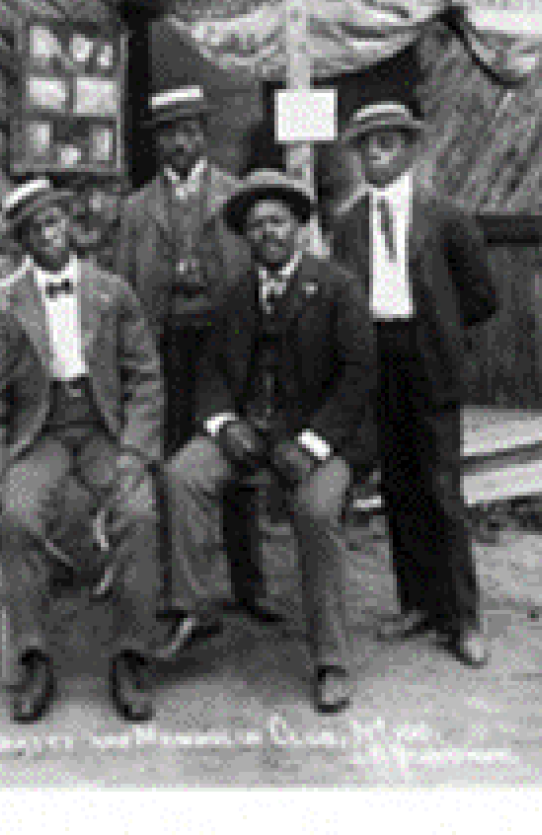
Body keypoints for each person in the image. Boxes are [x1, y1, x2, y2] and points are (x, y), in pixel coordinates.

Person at [160, 171, 377, 714]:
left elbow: (359, 379)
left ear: (300, 229)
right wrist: (224, 424)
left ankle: (331, 659)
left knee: (315, 508)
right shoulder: (237, 296)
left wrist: (310, 444)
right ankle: (194, 608)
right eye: (256, 226)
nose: (267, 234)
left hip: (323, 437)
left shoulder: (338, 289)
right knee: (183, 474)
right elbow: (209, 373)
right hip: (251, 431)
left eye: (278, 221)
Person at [0, 178, 165, 724]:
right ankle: (34, 660)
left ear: (70, 227)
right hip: (41, 432)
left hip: (104, 428)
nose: (49, 236)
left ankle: (131, 657)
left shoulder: (112, 292)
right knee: (18, 515)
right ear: (23, 241)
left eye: (55, 223)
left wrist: (135, 451)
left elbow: (146, 380)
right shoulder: (5, 304)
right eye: (35, 229)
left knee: (139, 513)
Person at [331, 102, 499, 668]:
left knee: (440, 487)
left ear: (409, 150)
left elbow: (480, 298)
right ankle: (418, 604)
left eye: (387, 143)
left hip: (427, 356)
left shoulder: (446, 217)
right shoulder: (350, 223)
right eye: (367, 146)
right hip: (378, 357)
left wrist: (438, 330)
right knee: (399, 485)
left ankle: (463, 617)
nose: (375, 154)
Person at [112, 85, 277, 622]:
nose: (180, 143)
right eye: (168, 134)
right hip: (162, 352)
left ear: (204, 136)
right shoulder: (137, 210)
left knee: (235, 458)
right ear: (157, 143)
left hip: (224, 351)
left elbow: (259, 277)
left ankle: (250, 585)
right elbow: (119, 289)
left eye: (189, 131)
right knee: (168, 468)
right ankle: (181, 591)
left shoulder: (235, 200)